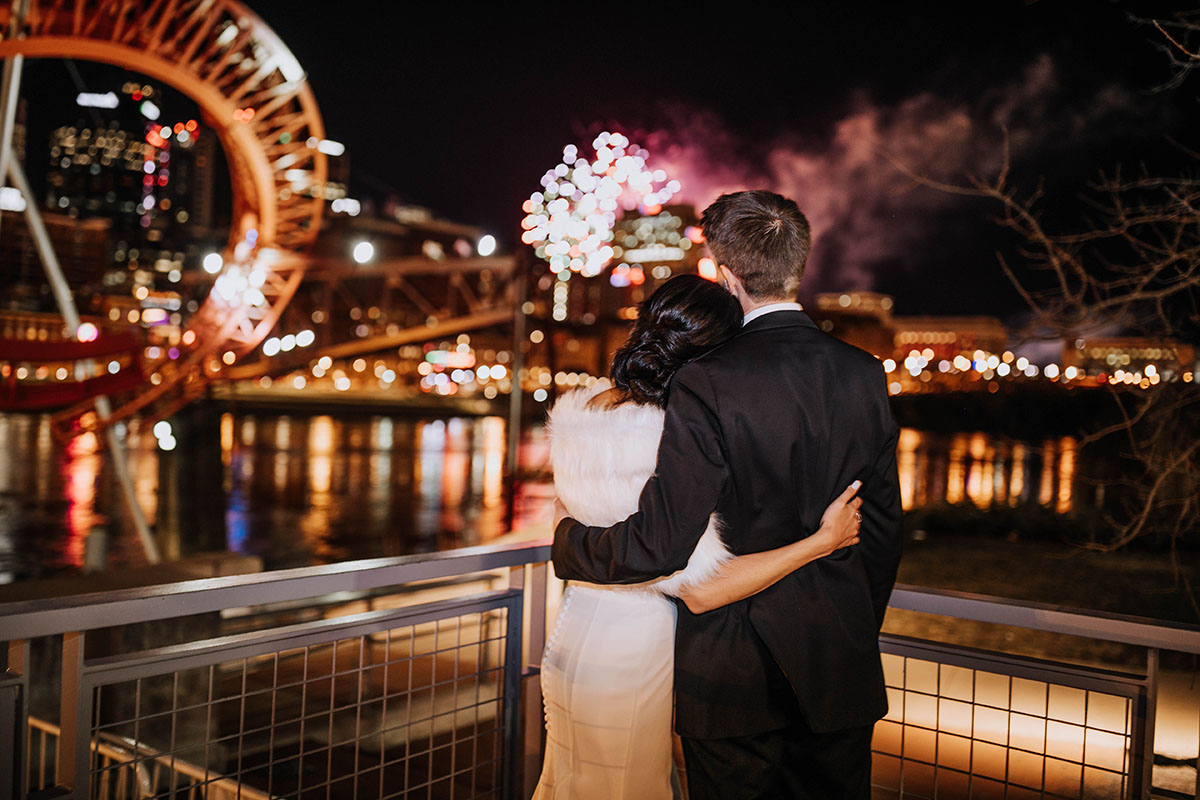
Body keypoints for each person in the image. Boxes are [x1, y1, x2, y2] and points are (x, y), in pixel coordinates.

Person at [552, 190, 903, 800]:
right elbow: (881, 535)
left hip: (732, 672)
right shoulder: (864, 373)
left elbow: (662, 543)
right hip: (837, 661)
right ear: (799, 265)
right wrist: (846, 628)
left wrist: (569, 545)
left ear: (726, 273)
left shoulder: (706, 380)